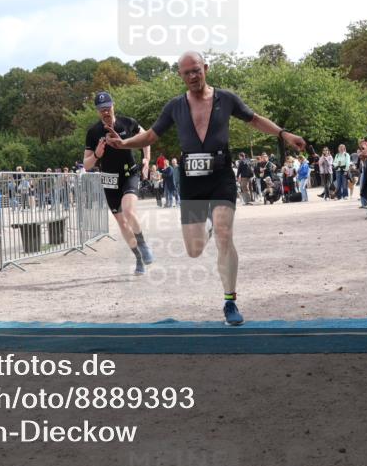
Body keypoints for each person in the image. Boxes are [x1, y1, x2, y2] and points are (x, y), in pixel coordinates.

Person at [106, 51, 306, 325]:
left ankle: (230, 302)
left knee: (225, 233)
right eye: (186, 72)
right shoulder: (174, 106)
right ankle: (208, 229)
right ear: (180, 75)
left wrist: (284, 133)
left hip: (221, 173)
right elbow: (151, 136)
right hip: (191, 179)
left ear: (206, 69)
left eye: (196, 70)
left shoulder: (226, 99)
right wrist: (125, 144)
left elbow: (255, 119)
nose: (192, 76)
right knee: (194, 249)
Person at [83, 91, 154, 275]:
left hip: (129, 173)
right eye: (101, 110)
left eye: (107, 108)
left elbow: (147, 138)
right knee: (122, 224)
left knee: (129, 211)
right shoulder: (93, 132)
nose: (105, 112)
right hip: (109, 180)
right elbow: (87, 164)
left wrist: (146, 159)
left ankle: (143, 244)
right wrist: (97, 154)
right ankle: (138, 258)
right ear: (98, 112)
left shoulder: (127, 123)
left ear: (113, 105)